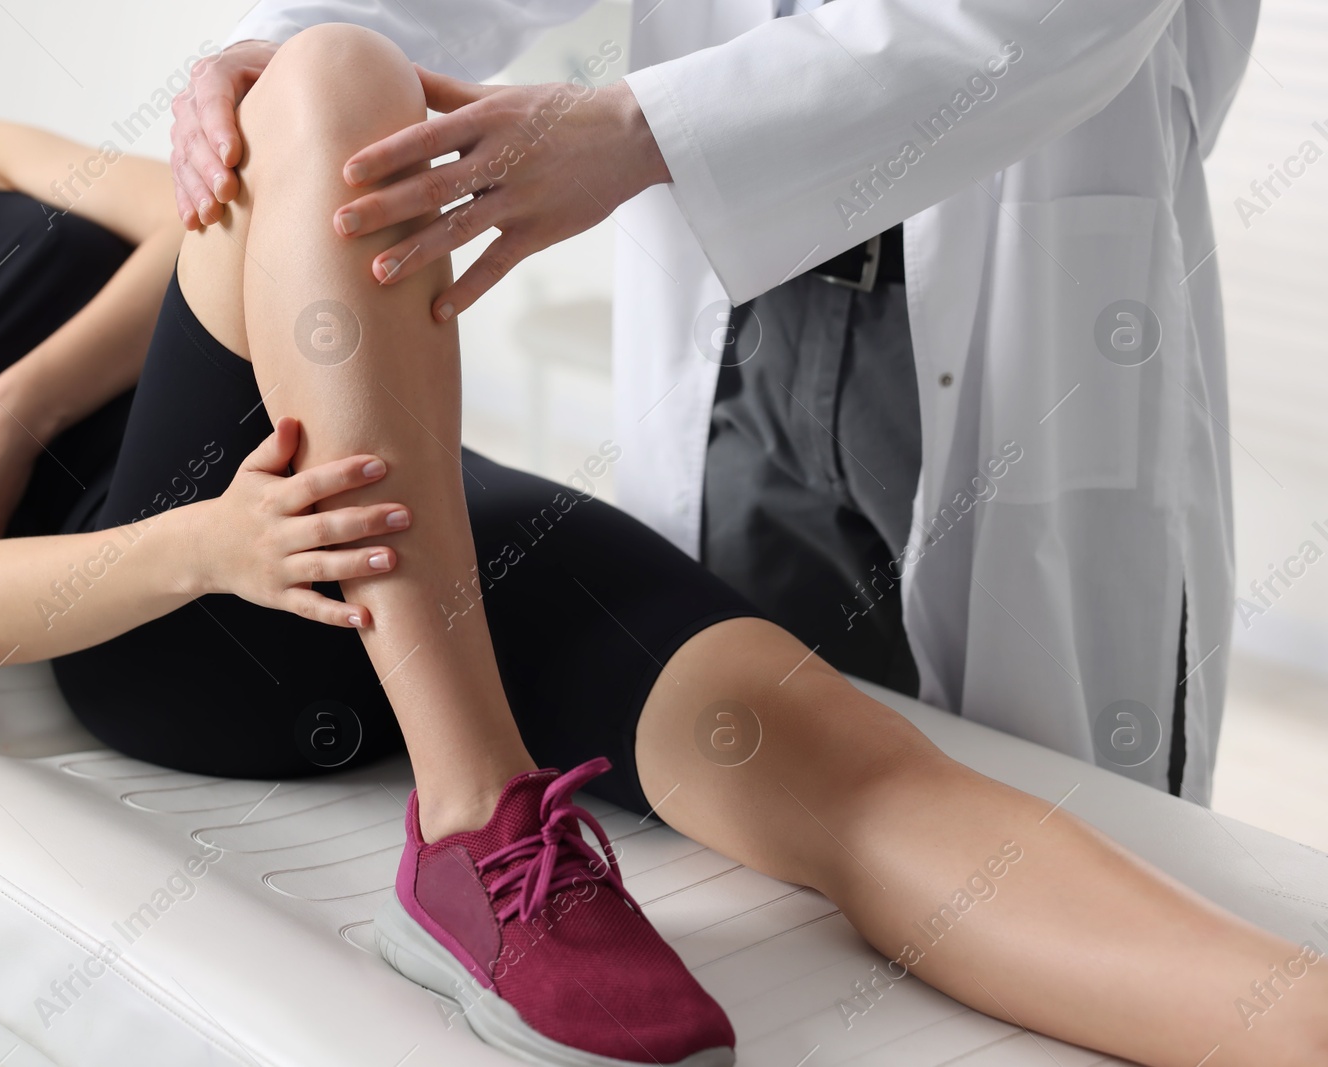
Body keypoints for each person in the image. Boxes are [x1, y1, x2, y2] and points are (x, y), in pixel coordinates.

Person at [0, 24, 1323, 1067]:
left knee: (852, 768)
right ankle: (479, 820)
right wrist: (209, 548)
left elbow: (218, 213)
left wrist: (11, 399)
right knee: (343, 78)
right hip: (184, 608)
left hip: (430, 512)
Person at [172, 0, 1259, 803]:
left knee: (1057, 810)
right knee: (769, 789)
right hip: (739, 312)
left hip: (1013, 297)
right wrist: (291, 38)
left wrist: (647, 130)